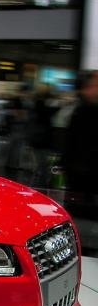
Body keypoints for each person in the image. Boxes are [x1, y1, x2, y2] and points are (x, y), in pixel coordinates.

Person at [62, 70, 98, 205]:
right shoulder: (80, 111)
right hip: (78, 172)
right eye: (90, 86)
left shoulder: (81, 111)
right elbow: (71, 141)